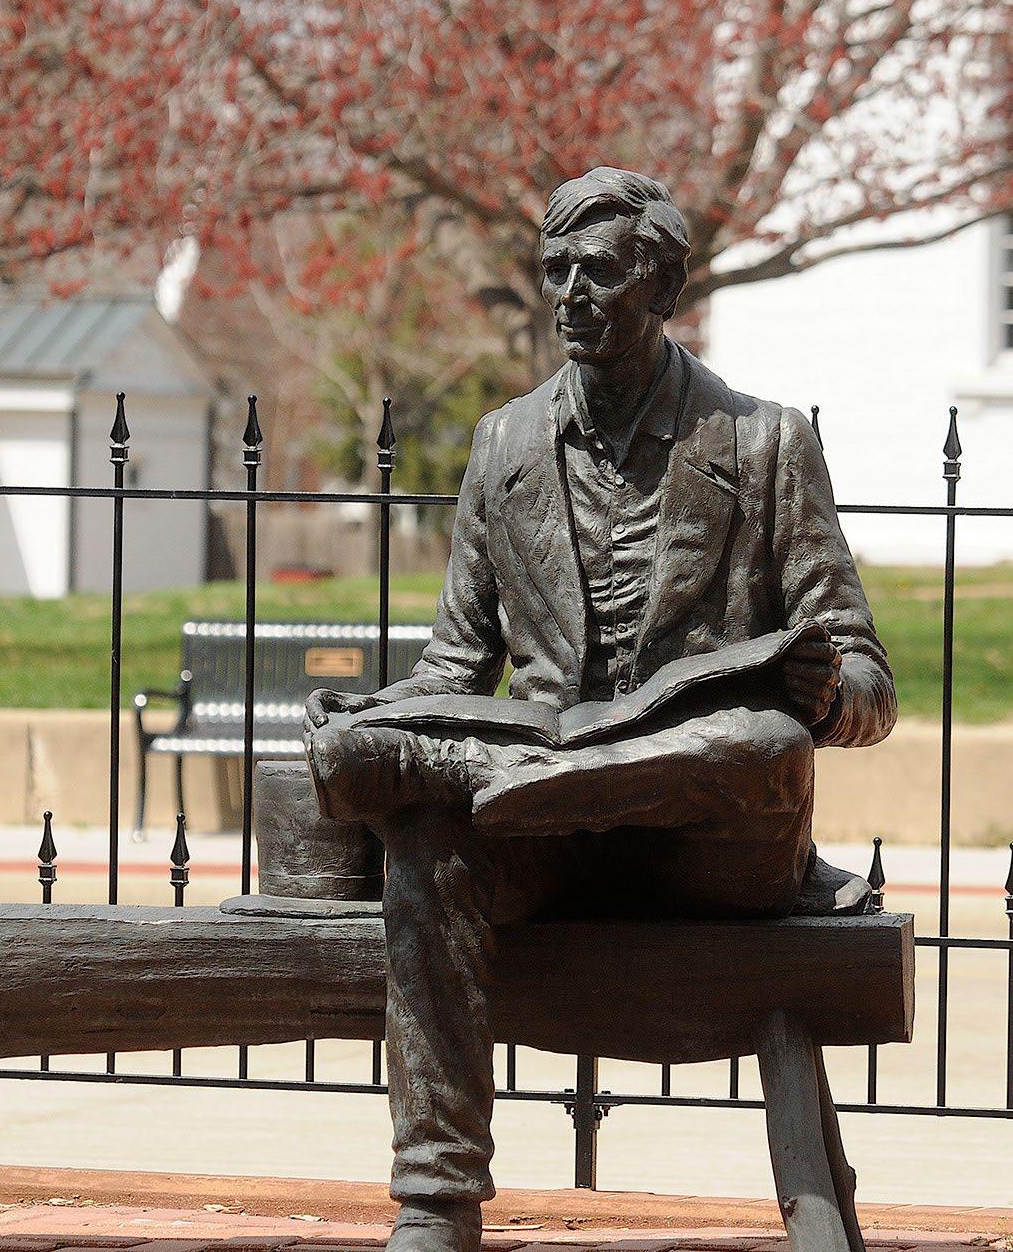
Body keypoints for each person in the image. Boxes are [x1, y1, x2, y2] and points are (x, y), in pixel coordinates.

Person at [304, 168, 897, 1252]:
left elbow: (870, 683)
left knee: (764, 740)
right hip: (545, 843)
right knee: (429, 838)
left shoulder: (765, 443)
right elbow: (455, 666)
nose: (570, 293)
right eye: (555, 271)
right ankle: (435, 1201)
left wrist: (823, 697)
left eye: (599, 271)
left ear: (660, 284)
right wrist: (379, 715)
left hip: (707, 846)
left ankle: (536, 777)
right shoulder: (503, 446)